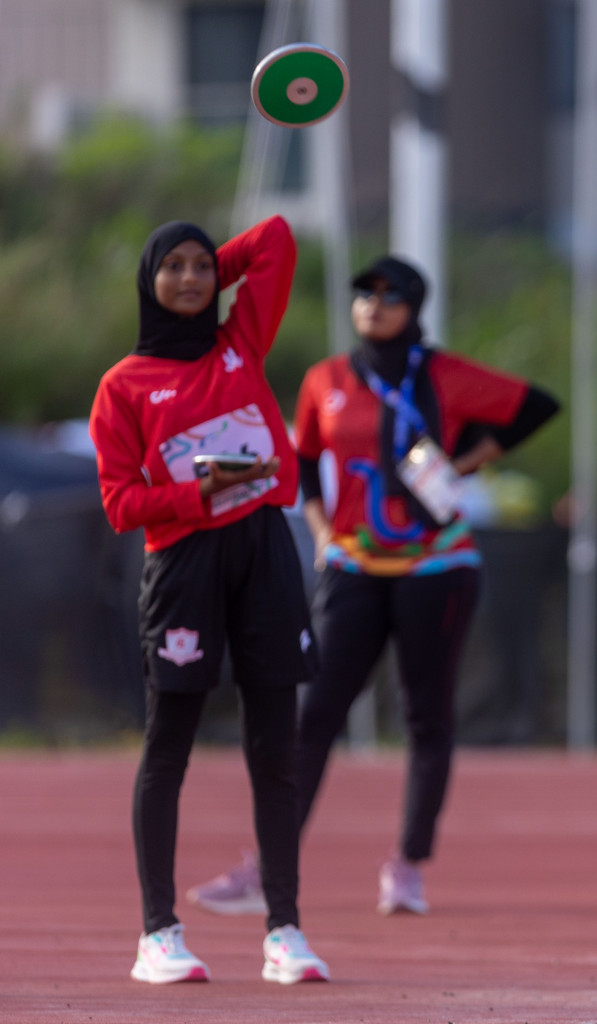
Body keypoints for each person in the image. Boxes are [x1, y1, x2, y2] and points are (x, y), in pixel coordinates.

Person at [190, 255, 559, 917]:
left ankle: (408, 866)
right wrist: (321, 528)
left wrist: (468, 462)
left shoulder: (443, 374)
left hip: (437, 568)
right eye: (365, 291)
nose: (374, 303)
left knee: (426, 716)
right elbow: (303, 462)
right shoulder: (325, 378)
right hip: (355, 565)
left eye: (391, 295)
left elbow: (537, 406)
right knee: (314, 714)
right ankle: (266, 864)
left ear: (414, 307)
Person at [88, 216, 330, 985]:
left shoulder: (239, 343)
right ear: (147, 280)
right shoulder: (122, 385)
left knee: (277, 751)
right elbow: (122, 504)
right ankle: (158, 933)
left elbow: (280, 239)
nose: (192, 280)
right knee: (170, 746)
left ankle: (284, 931)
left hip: (263, 553)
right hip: (184, 564)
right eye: (172, 269)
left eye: (201, 267)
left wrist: (205, 261)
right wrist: (202, 487)